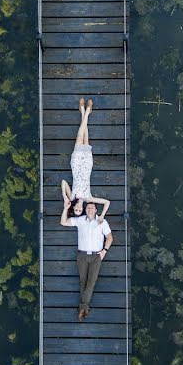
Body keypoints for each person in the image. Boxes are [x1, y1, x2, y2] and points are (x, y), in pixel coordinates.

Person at [59, 98, 113, 322]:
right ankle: (85, 113)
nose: (86, 206)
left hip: (76, 164)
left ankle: (84, 112)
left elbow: (64, 181)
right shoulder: (87, 199)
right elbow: (107, 202)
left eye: (85, 207)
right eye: (86, 207)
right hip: (87, 165)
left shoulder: (76, 200)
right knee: (85, 138)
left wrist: (68, 201)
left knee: (79, 138)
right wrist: (99, 214)